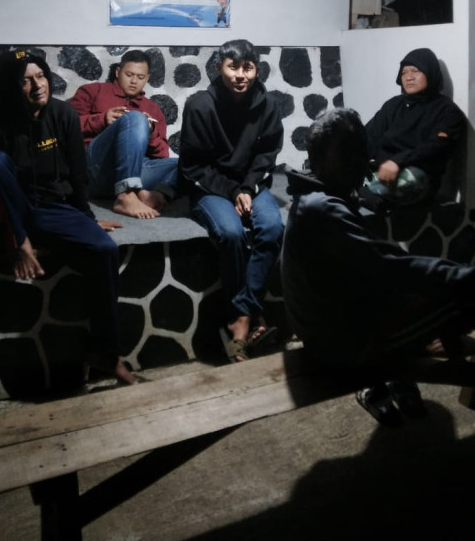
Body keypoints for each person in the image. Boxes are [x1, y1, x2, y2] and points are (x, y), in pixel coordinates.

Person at [281, 108, 475, 424]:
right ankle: (392, 369)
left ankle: (408, 360)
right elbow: (393, 268)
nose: (362, 162)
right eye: (349, 154)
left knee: (435, 286)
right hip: (342, 347)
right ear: (318, 160)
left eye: (362, 151)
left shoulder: (313, 197)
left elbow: (376, 267)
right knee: (463, 293)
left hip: (326, 331)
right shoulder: (322, 209)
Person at [0, 49, 137, 386]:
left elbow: (79, 174)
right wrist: (19, 238)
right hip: (10, 210)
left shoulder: (63, 114)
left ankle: (105, 354)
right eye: (25, 81)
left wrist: (87, 218)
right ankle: (19, 238)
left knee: (104, 249)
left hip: (52, 207)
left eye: (40, 76)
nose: (38, 85)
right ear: (9, 86)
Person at [179, 39, 284, 362]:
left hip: (250, 185)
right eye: (233, 67)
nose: (241, 75)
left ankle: (241, 315)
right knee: (231, 232)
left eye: (248, 68)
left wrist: (248, 188)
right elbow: (193, 166)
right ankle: (247, 317)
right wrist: (232, 191)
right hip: (211, 187)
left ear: (257, 69)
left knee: (272, 227)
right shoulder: (200, 105)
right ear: (219, 68)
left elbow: (267, 156)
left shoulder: (268, 105)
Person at [69, 49, 178, 219]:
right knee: (135, 117)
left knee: (187, 165)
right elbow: (66, 127)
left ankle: (154, 195)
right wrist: (101, 119)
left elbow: (162, 154)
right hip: (96, 169)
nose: (134, 81)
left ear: (147, 78)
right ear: (118, 72)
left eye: (140, 77)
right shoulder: (92, 91)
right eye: (129, 75)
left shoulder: (153, 108)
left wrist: (150, 132)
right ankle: (126, 194)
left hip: (135, 171)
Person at [361, 47, 465, 211]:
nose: (409, 77)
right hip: (380, 170)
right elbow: (368, 136)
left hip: (415, 175)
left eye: (415, 71)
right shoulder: (393, 105)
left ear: (430, 73)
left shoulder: (447, 110)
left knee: (410, 179)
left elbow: (437, 147)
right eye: (404, 73)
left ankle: (366, 193)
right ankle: (367, 191)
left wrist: (398, 161)